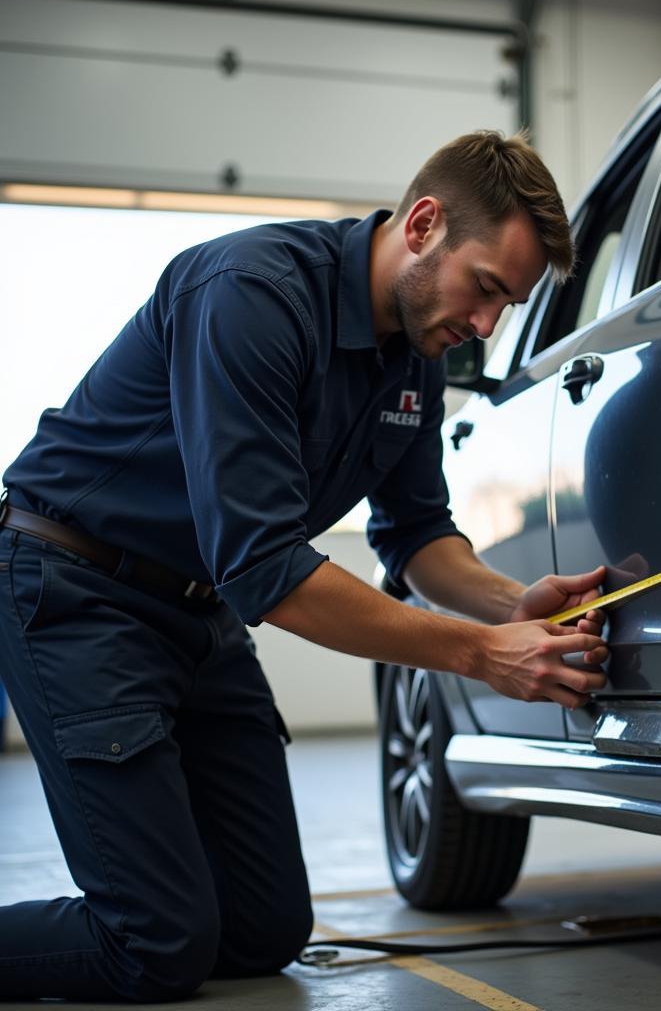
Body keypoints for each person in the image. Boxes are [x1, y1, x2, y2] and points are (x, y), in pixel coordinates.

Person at [0, 131, 609, 1002]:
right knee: (156, 944)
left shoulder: (416, 355)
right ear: (425, 224)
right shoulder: (251, 294)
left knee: (264, 930)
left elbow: (416, 535)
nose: (485, 326)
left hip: (197, 608)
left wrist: (511, 604)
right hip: (75, 591)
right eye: (485, 290)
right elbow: (263, 567)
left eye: (504, 306)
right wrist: (478, 656)